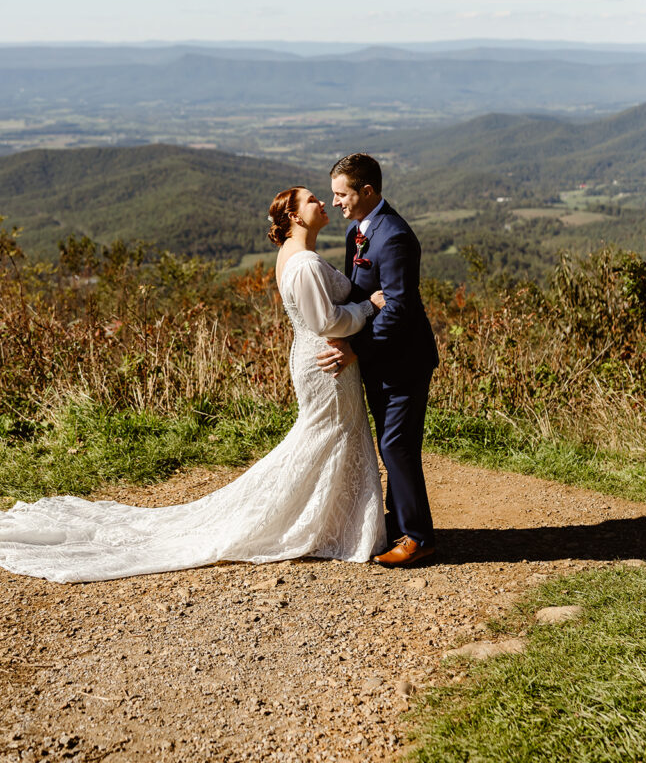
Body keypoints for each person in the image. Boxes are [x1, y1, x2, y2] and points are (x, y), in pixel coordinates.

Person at [0, 187, 386, 583]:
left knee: (330, 438)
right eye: (311, 201)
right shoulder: (303, 263)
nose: (322, 203)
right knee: (327, 437)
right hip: (325, 365)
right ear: (295, 217)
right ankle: (327, 524)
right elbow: (328, 323)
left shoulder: (294, 257)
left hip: (320, 360)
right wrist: (367, 308)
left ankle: (333, 521)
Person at [317, 154, 438, 567]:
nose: (336, 203)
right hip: (379, 359)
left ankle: (418, 538)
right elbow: (361, 290)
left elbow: (400, 310)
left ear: (367, 191)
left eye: (342, 194)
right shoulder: (359, 231)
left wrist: (355, 349)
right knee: (392, 443)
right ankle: (399, 523)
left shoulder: (395, 237)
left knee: (397, 445)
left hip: (403, 358)